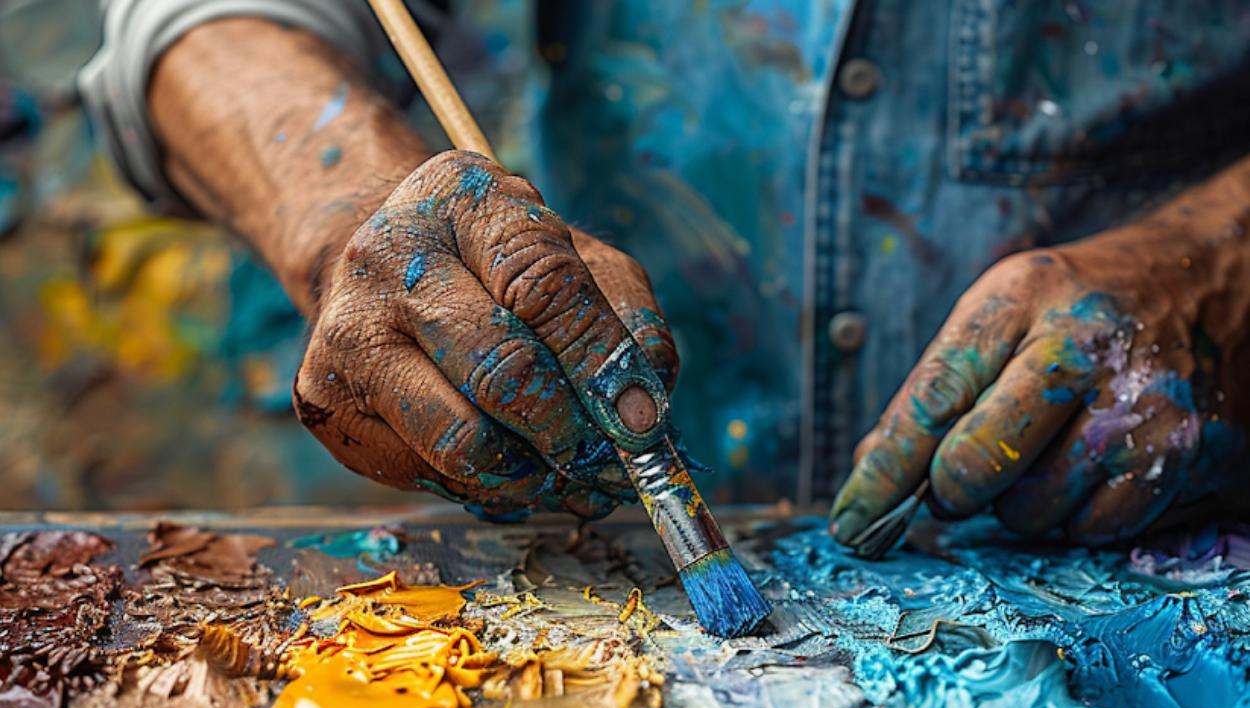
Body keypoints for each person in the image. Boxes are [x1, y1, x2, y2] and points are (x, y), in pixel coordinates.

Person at [81, 1, 1250, 542]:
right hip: (609, 574)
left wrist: (1217, 263)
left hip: (1160, 561)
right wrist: (353, 218)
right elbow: (208, 22)